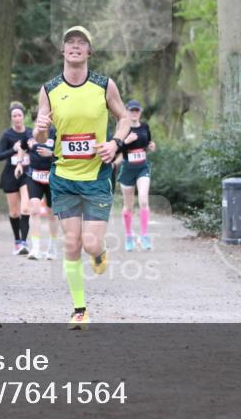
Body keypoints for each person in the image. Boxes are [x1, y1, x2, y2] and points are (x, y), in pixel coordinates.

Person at [33, 25, 131, 329]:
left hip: (98, 177)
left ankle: (99, 252)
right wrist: (39, 127)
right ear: (63, 51)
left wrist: (115, 143)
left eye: (82, 43)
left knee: (90, 244)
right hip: (63, 176)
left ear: (89, 51)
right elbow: (39, 137)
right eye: (70, 43)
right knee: (71, 243)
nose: (75, 46)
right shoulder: (49, 90)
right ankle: (79, 309)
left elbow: (125, 118)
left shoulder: (104, 86)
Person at [116, 100, 156, 251]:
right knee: (128, 206)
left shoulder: (145, 127)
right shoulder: (122, 128)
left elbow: (148, 143)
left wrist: (151, 146)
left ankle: (144, 236)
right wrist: (127, 140)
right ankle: (128, 236)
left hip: (142, 167)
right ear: (126, 111)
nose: (134, 113)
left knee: (144, 200)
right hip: (127, 169)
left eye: (137, 110)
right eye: (131, 110)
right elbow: (117, 148)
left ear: (140, 112)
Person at [0, 102, 32, 255]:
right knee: (15, 212)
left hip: (26, 174)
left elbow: (36, 148)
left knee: (25, 208)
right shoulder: (7, 135)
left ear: (24, 117)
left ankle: (24, 243)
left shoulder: (30, 133)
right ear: (11, 118)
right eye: (14, 116)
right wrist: (14, 149)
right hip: (10, 175)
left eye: (19, 115)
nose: (17, 118)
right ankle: (17, 241)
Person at [25, 126, 59, 260]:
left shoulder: (57, 132)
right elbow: (22, 146)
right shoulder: (31, 132)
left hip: (53, 176)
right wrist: (21, 159)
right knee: (34, 210)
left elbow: (65, 154)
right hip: (34, 176)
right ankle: (35, 248)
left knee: (52, 213)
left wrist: (51, 154)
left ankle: (52, 248)